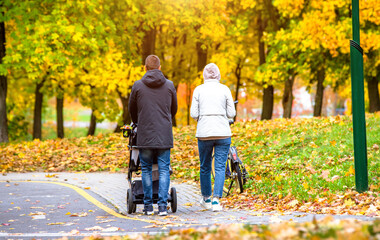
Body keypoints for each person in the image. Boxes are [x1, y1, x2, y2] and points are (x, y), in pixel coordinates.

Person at [129, 55, 178, 216]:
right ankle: (163, 207)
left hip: (145, 134)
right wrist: (165, 120)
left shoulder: (137, 86)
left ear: (145, 68)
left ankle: (148, 207)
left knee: (146, 170)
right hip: (164, 134)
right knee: (164, 170)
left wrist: (139, 122)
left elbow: (132, 110)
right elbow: (174, 109)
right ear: (160, 67)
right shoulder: (169, 85)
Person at [190, 63, 236, 212]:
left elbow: (194, 114)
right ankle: (217, 200)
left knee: (204, 166)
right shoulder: (225, 89)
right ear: (218, 74)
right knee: (220, 166)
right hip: (223, 132)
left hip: (204, 133)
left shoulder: (198, 90)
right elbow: (231, 113)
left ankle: (206, 199)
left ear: (204, 75)